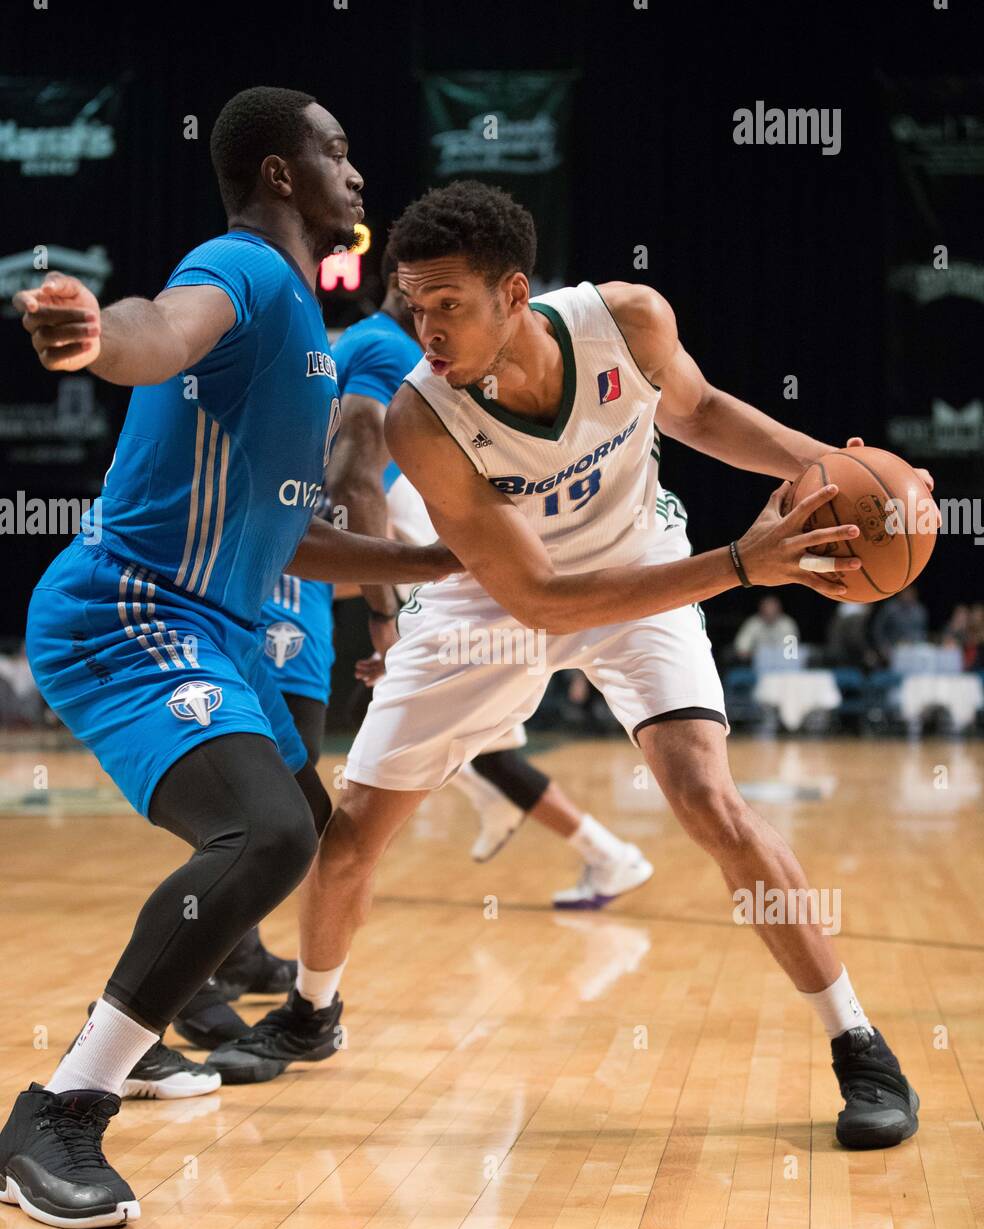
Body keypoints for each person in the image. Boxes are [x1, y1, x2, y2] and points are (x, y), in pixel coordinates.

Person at [210, 179, 923, 1156]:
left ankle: (859, 1044)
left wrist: (845, 471)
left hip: (640, 567)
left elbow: (701, 410)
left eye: (448, 305)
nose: (427, 331)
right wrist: (738, 564)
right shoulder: (423, 418)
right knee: (352, 834)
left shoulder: (627, 323)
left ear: (515, 293)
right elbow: (539, 599)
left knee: (708, 799)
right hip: (496, 599)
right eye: (414, 306)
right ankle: (312, 1010)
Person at [0, 87, 456, 1229]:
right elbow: (161, 327)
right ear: (281, 174)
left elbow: (283, 532)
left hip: (218, 627)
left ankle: (154, 1021)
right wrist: (99, 335)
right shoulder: (242, 267)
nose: (358, 172)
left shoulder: (306, 328)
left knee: (311, 831)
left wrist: (432, 562)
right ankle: (60, 1111)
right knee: (270, 832)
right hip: (128, 609)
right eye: (337, 152)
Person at [332, 250, 653, 902]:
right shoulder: (402, 354)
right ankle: (593, 846)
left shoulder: (380, 347)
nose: (435, 327)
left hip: (426, 555)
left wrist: (382, 613)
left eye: (447, 302)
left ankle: (600, 849)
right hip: (430, 553)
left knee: (451, 739)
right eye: (429, 306)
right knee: (471, 743)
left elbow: (359, 482)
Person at [733, 595, 799, 662]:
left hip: (783, 662)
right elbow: (741, 648)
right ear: (761, 610)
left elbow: (793, 650)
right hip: (756, 663)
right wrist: (758, 655)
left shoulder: (787, 623)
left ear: (779, 610)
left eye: (773, 610)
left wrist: (774, 656)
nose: (770, 613)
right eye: (767, 610)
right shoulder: (752, 623)